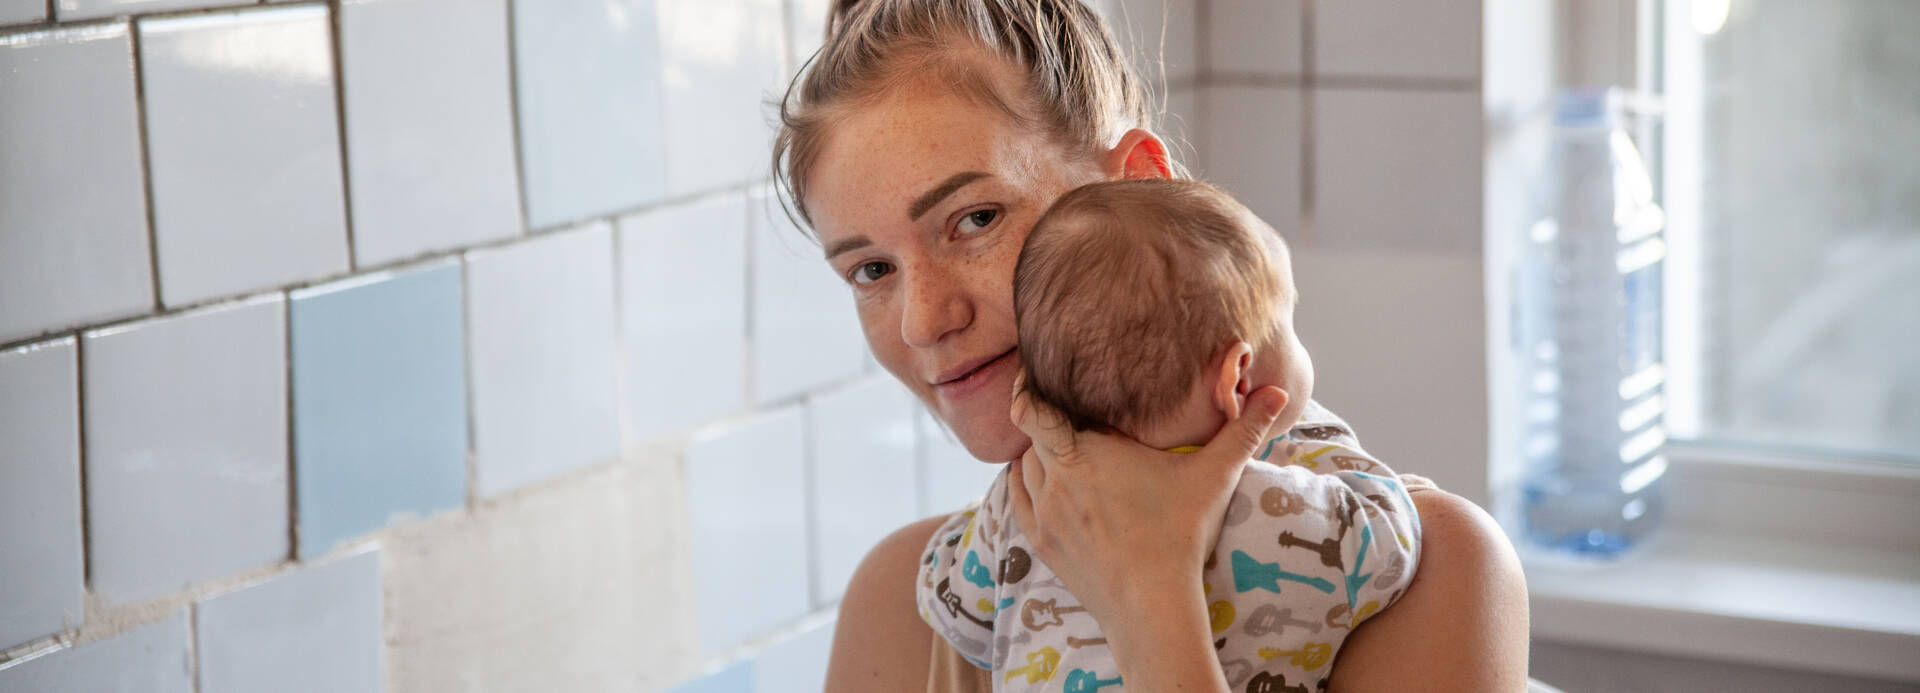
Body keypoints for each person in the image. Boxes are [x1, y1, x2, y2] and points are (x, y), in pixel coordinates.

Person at [773, 1, 1530, 690]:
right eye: (872, 269)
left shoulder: (1431, 573)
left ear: (1138, 183)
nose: (923, 320)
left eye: (976, 219)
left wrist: (1151, 600)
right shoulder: (905, 604)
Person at [919, 178, 1430, 692]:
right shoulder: (1291, 507)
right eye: (1290, 327)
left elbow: (951, 601)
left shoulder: (1028, 501)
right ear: (1237, 380)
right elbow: (1392, 548)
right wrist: (1316, 444)